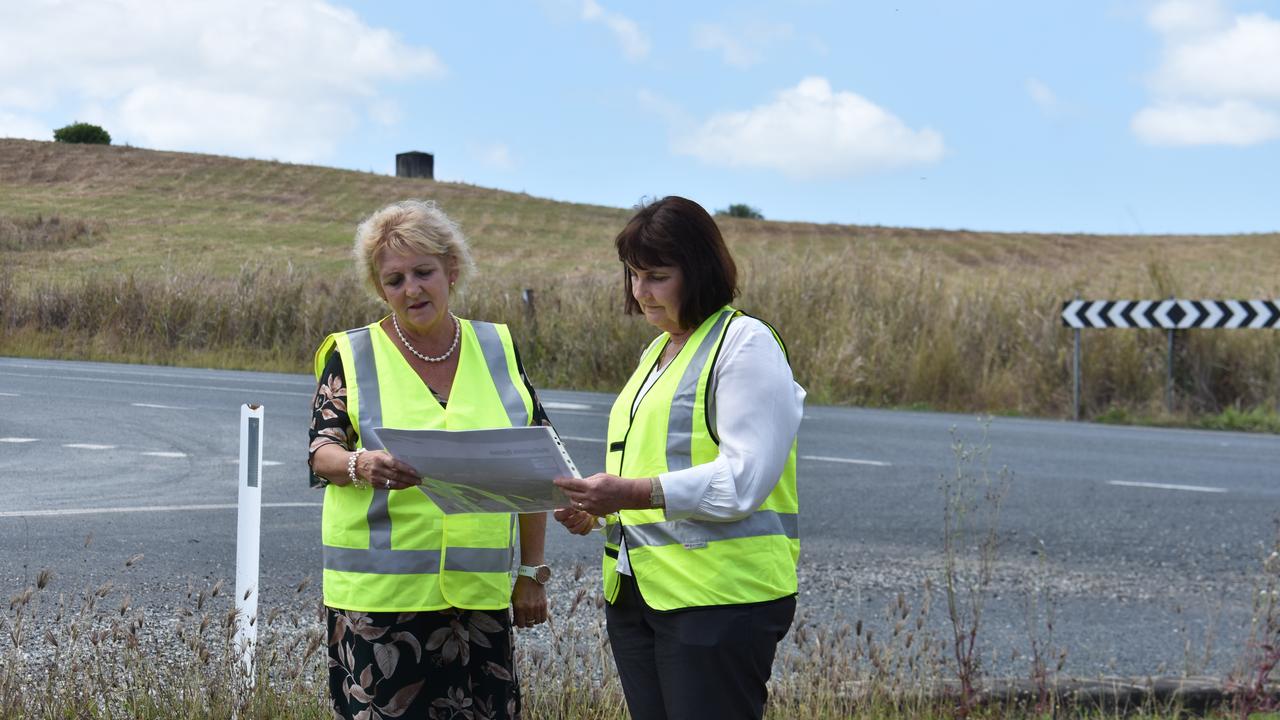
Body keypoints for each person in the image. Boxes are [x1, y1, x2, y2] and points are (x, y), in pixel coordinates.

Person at [554, 196, 805, 720]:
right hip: (642, 593)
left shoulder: (745, 344)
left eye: (656, 276)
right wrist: (603, 506)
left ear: (699, 272)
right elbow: (654, 464)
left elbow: (744, 480)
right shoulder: (660, 350)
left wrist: (628, 493)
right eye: (632, 275)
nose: (639, 292)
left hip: (720, 600)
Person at [308, 199, 551, 720]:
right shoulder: (351, 354)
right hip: (378, 607)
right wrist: (360, 465)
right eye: (394, 280)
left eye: (423, 272)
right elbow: (320, 452)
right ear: (379, 288)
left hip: (477, 603)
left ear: (452, 270)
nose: (411, 289)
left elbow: (537, 463)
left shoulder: (498, 348)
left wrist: (532, 570)